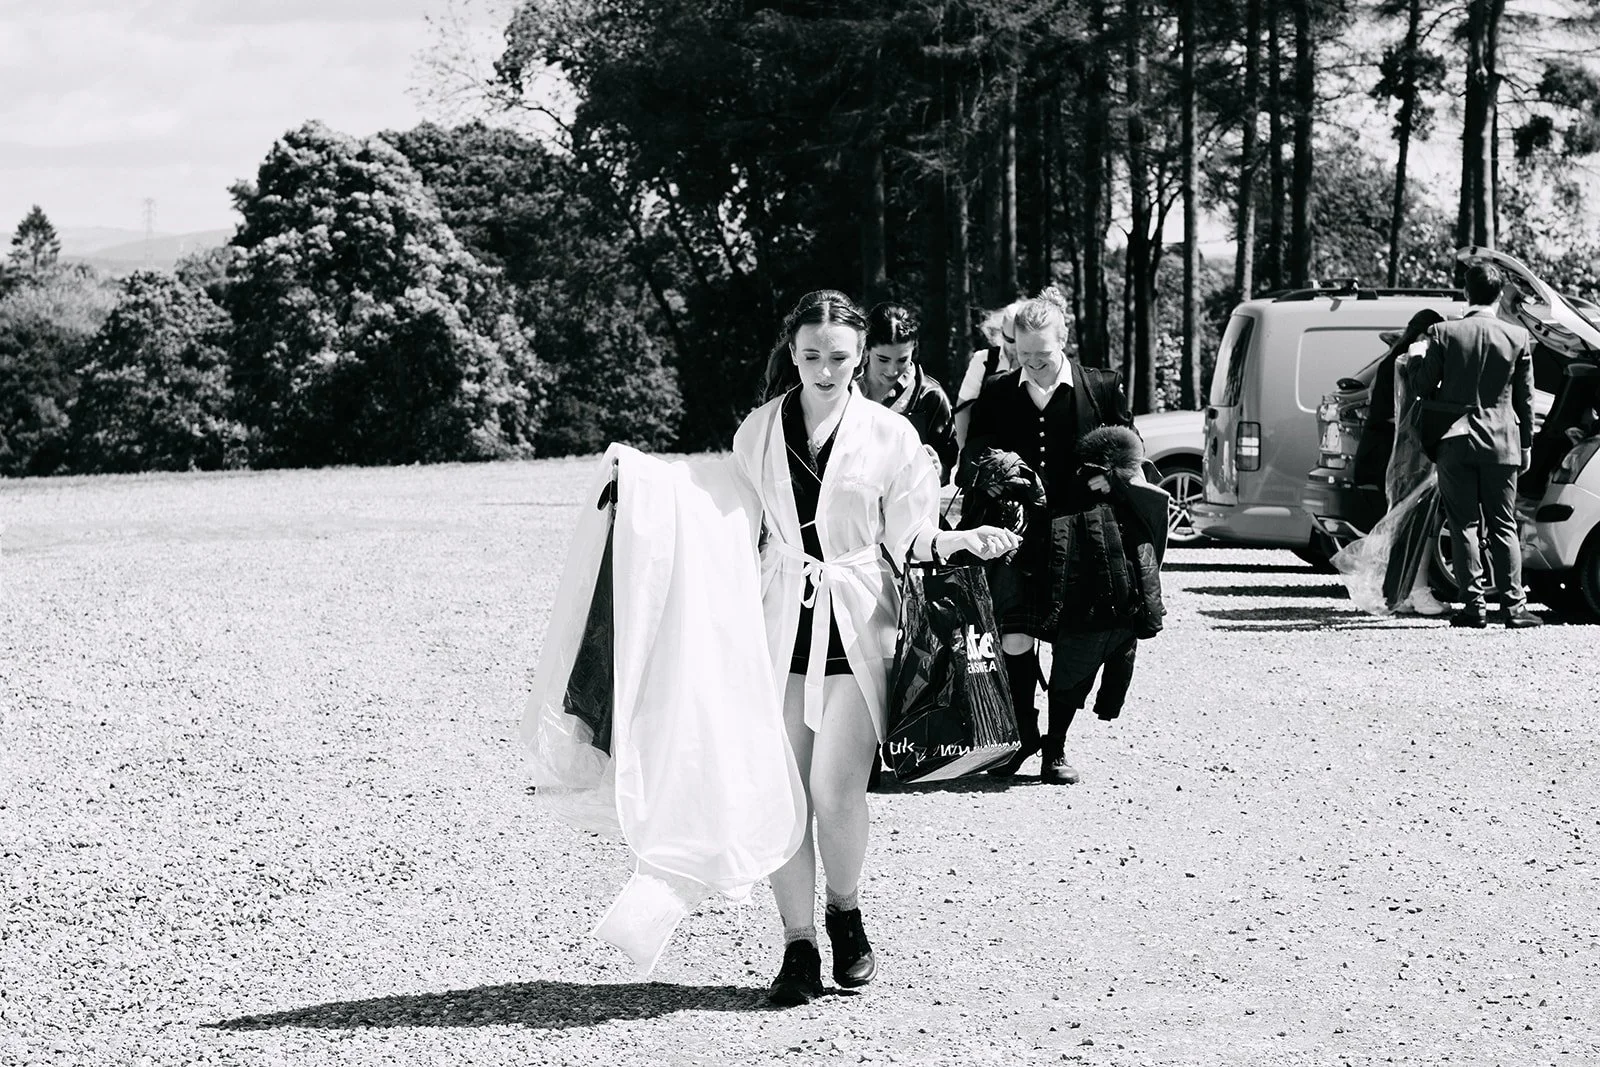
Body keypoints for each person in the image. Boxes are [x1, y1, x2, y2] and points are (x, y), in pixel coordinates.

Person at [731, 290, 1021, 1006]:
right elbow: (728, 523)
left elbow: (911, 536)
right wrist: (642, 500)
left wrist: (961, 540)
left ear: (860, 356)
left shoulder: (892, 436)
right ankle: (798, 942)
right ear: (792, 352)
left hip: (858, 623)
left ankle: (846, 910)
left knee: (835, 791)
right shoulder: (757, 432)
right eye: (811, 355)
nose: (825, 369)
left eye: (838, 356)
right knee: (785, 797)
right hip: (780, 623)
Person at [957, 285, 1135, 784]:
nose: (1033, 366)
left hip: (1084, 533)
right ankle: (1023, 733)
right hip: (1016, 533)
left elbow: (1131, 449)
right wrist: (992, 471)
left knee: (1075, 642)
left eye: (1043, 356)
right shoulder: (997, 390)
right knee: (1012, 636)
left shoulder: (1101, 386)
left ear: (1065, 341)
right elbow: (969, 458)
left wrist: (1112, 475)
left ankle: (1056, 746)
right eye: (1024, 356)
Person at [1413, 262, 1542, 629]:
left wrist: (1418, 356)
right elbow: (1525, 400)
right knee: (1503, 524)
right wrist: (1526, 446)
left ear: (1466, 293)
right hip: (1502, 441)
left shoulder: (1443, 332)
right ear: (1500, 295)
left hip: (1455, 439)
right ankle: (1514, 607)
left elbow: (1422, 387)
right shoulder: (1517, 337)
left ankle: (1474, 607)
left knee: (1463, 524)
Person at [1048, 425, 1170, 726]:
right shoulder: (1120, 501)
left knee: (1081, 670)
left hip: (1113, 604)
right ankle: (1055, 743)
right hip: (1101, 604)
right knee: (1073, 672)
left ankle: (1055, 743)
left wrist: (1115, 480)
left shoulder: (1132, 500)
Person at [1334, 309, 1449, 616]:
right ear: (1426, 334)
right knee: (1414, 522)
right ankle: (1415, 591)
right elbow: (1409, 412)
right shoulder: (1405, 362)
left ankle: (1400, 592)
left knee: (1401, 524)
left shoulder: (1391, 360)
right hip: (1400, 455)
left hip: (1384, 454)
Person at [862, 302, 958, 482]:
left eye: (902, 360)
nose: (892, 370)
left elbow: (946, 459)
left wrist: (939, 470)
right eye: (883, 359)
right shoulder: (846, 388)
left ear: (914, 348)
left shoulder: (930, 395)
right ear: (866, 348)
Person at [953, 298, 1026, 454]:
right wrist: (964, 454)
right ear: (1001, 332)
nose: (1015, 346)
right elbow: (962, 410)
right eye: (1010, 340)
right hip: (986, 453)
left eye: (1021, 339)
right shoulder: (983, 360)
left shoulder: (1035, 364)